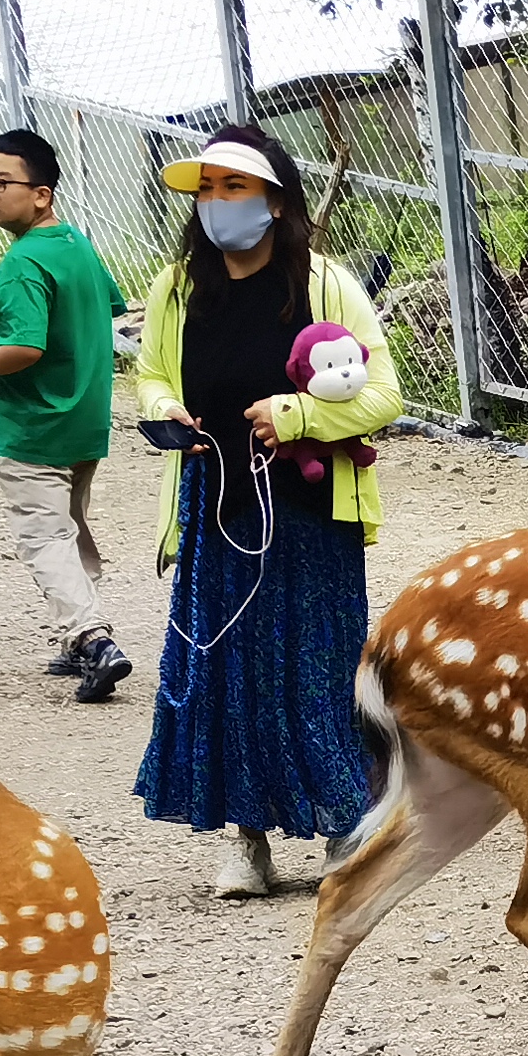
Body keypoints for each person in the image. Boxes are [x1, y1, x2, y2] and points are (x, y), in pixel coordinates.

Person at [133, 124, 403, 899]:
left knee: (318, 667)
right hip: (215, 504)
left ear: (276, 201)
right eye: (207, 190)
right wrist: (165, 411)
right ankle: (246, 843)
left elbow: (384, 395)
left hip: (311, 510)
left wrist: (297, 417)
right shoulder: (177, 286)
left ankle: (342, 825)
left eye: (234, 187)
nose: (218, 204)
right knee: (227, 672)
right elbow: (151, 375)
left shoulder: (327, 285)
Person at [0, 128, 127, 699]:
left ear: (41, 194)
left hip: (35, 426)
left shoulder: (20, 263)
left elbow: (27, 346)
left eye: (2, 182)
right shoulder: (75, 244)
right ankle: (78, 632)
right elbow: (110, 302)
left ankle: (90, 637)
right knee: (73, 527)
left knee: (44, 536)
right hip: (85, 419)